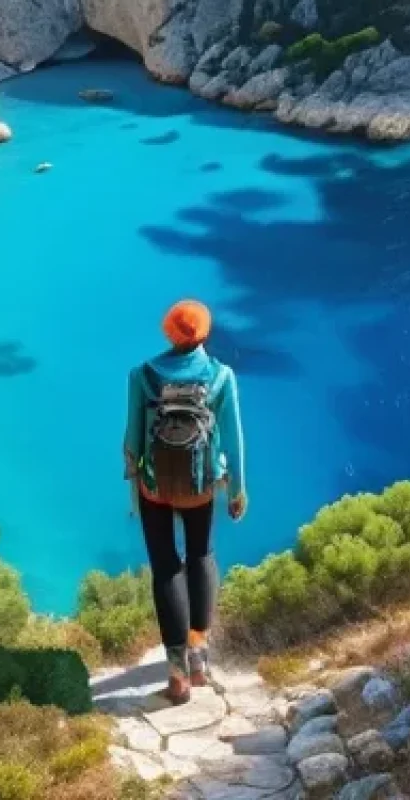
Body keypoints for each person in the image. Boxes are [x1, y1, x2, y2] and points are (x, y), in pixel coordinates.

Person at [123, 299, 247, 705]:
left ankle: (175, 676)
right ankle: (198, 659)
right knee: (200, 556)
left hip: (155, 487)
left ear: (167, 331)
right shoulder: (220, 376)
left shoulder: (142, 376)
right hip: (201, 486)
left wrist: (134, 488)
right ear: (205, 333)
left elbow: (131, 441)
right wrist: (238, 489)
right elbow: (233, 438)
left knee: (165, 568)